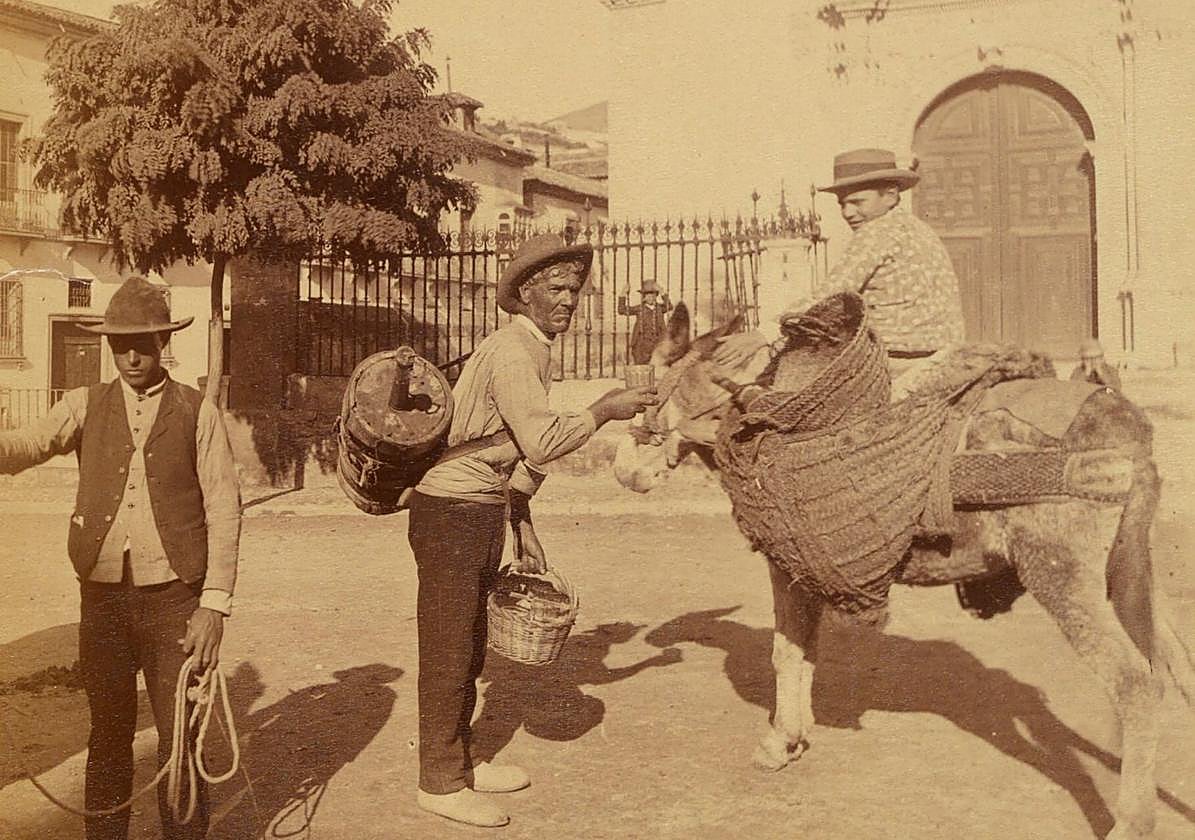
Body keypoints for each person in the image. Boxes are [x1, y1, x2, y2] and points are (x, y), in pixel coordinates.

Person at [408, 234, 657, 828]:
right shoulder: (516, 352)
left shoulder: (533, 347)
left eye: (575, 289)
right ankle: (439, 782)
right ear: (524, 294)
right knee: (449, 646)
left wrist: (520, 517)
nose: (570, 299)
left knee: (469, 642)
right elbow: (541, 440)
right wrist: (604, 409)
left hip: (479, 505)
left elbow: (515, 449)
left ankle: (462, 761)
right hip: (451, 509)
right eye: (556, 289)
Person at [0, 276, 241, 840]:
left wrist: (214, 606)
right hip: (103, 602)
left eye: (143, 343)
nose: (131, 356)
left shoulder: (197, 411)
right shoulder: (83, 405)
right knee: (107, 738)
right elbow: (27, 445)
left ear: (163, 342)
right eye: (120, 345)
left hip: (176, 603)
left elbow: (226, 510)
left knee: (179, 739)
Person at [714, 148, 966, 392]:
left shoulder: (876, 232)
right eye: (842, 204)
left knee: (776, 397)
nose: (848, 213)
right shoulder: (916, 228)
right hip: (940, 351)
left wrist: (762, 334)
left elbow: (828, 299)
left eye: (857, 202)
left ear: (890, 195)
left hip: (895, 359)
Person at [618, 278, 673, 365]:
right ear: (644, 297)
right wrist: (623, 294)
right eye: (647, 295)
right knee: (641, 368)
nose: (650, 297)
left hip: (657, 343)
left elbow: (669, 306)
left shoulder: (660, 308)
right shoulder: (639, 309)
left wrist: (662, 292)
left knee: (658, 366)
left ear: (656, 296)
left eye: (653, 295)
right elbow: (622, 310)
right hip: (641, 344)